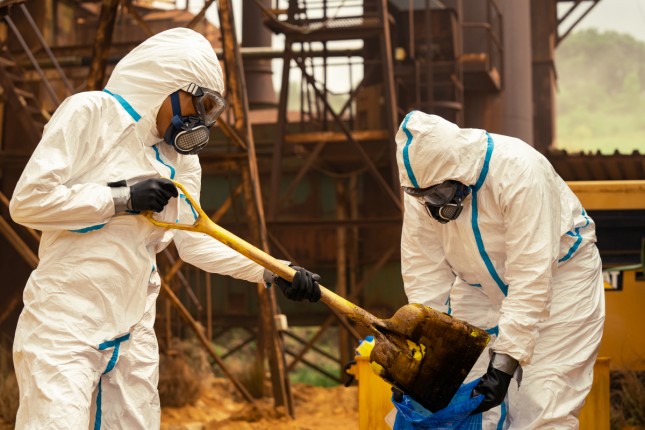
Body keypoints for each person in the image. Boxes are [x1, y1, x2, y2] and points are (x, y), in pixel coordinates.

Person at [9, 28, 320, 430]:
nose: (201, 120)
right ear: (167, 83)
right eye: (200, 105)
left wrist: (272, 271)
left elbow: (196, 241)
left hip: (132, 333)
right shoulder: (91, 113)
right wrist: (121, 198)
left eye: (210, 111)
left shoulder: (181, 161)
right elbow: (28, 202)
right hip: (64, 327)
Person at [395, 111, 605, 429]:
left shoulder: (519, 169)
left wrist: (505, 361)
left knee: (541, 403)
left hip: (560, 283)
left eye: (439, 194)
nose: (433, 206)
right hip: (477, 287)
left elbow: (531, 273)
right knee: (459, 388)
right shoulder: (422, 190)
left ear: (460, 172)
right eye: (423, 197)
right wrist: (423, 355)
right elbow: (424, 273)